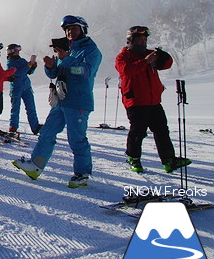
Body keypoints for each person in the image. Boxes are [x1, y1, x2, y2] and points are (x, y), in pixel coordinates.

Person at [13, 15, 102, 188]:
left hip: (78, 102)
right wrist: (50, 66)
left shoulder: (91, 50)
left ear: (83, 29)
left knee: (76, 138)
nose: (70, 32)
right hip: (62, 101)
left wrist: (66, 57)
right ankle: (36, 166)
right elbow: (56, 74)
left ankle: (82, 174)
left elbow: (85, 72)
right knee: (46, 132)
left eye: (74, 29)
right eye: (67, 29)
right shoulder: (67, 49)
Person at [115, 26, 191, 174]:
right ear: (131, 40)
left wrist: (163, 55)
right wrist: (145, 61)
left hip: (154, 101)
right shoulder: (123, 57)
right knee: (138, 132)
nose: (143, 42)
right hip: (136, 102)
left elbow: (167, 65)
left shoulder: (149, 54)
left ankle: (168, 160)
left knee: (162, 130)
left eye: (144, 40)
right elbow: (127, 71)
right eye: (139, 40)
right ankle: (134, 158)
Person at [6, 44, 42, 134]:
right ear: (11, 51)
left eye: (19, 49)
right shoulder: (10, 63)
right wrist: (28, 66)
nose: (18, 51)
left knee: (31, 108)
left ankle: (35, 127)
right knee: (15, 108)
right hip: (16, 88)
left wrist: (32, 67)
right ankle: (13, 127)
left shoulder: (21, 60)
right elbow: (18, 73)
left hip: (26, 87)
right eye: (16, 49)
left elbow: (28, 72)